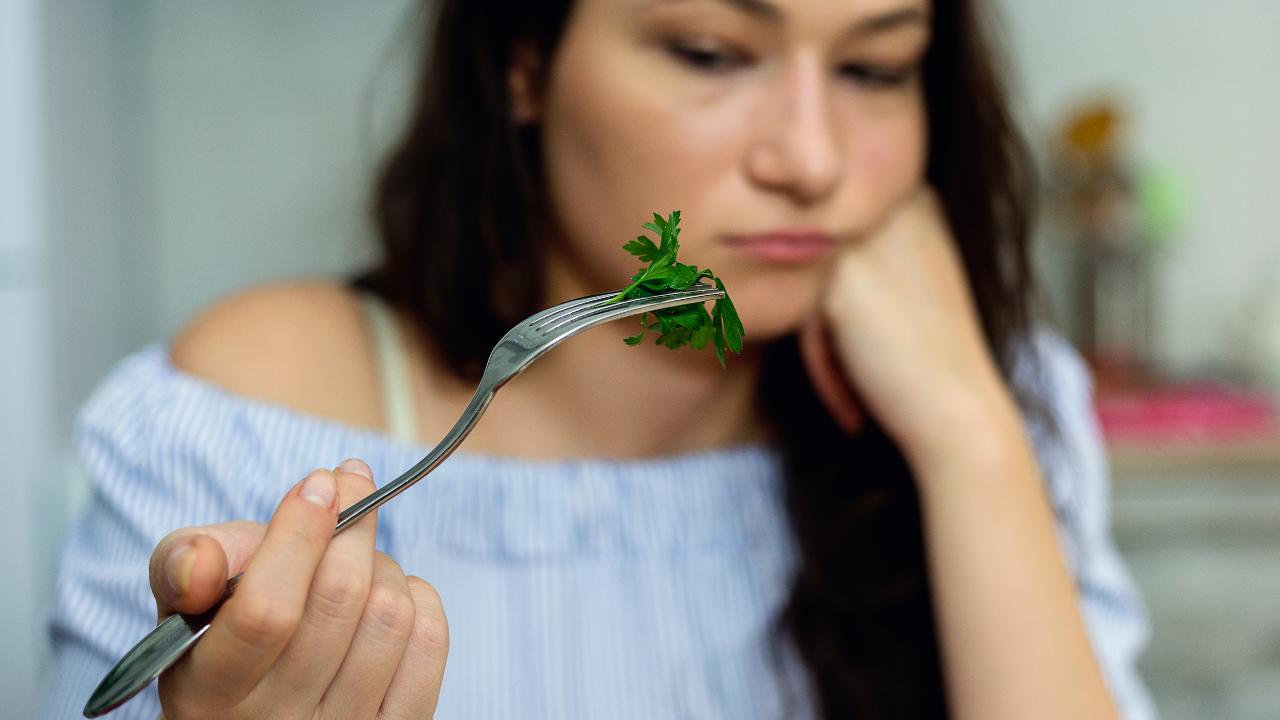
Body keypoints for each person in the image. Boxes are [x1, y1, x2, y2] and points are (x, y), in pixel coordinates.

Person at [41, 1, 1156, 718]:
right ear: (522, 62)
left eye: (874, 69)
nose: (812, 160)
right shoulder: (246, 415)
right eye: (711, 54)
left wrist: (967, 438)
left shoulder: (992, 398)